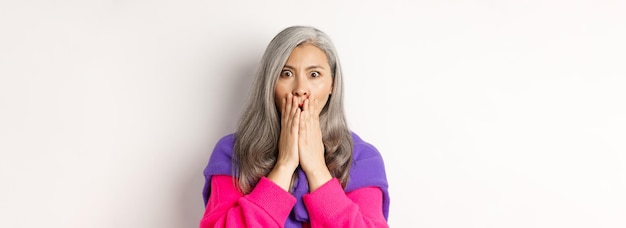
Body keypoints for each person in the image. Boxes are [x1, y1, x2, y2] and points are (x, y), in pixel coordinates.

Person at [200, 25, 390, 228]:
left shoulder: (364, 157)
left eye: (314, 75)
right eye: (286, 74)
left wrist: (316, 168)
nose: (300, 89)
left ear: (332, 84)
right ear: (270, 82)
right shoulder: (232, 152)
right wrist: (284, 164)